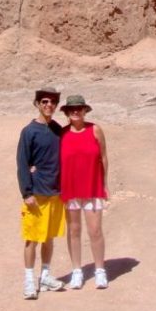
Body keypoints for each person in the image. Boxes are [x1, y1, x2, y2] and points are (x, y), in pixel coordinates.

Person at [16, 87, 67, 299]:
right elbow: (22, 163)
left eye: (53, 102)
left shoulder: (57, 129)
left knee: (48, 238)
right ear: (37, 103)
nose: (49, 106)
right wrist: (26, 192)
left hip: (55, 192)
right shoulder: (29, 131)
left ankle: (45, 275)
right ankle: (29, 281)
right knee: (32, 238)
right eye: (44, 101)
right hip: (36, 194)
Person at [59, 94, 109, 289]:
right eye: (72, 109)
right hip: (70, 188)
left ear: (85, 110)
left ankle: (99, 270)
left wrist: (105, 184)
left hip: (92, 186)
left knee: (95, 230)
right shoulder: (62, 134)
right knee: (74, 230)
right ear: (66, 113)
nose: (76, 111)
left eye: (79, 108)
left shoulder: (95, 130)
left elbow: (104, 157)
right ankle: (77, 271)